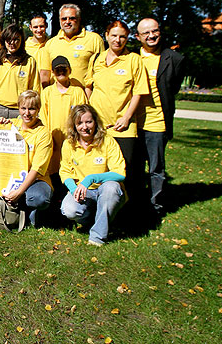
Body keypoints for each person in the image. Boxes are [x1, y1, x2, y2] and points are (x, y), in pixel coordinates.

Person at [85, 20, 148, 194]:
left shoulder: (134, 60)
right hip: (99, 126)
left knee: (123, 172)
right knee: (99, 168)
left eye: (122, 37)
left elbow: (138, 92)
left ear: (127, 39)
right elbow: (88, 85)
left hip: (123, 127)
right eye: (114, 36)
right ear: (106, 36)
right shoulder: (96, 59)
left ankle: (124, 210)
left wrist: (127, 117)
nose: (117, 40)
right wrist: (92, 109)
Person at [0, 90, 54, 228]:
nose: (27, 113)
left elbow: (36, 169)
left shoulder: (43, 134)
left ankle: (25, 210)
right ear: (18, 108)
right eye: (23, 108)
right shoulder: (12, 124)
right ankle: (16, 210)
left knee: (37, 198)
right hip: (8, 178)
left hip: (35, 180)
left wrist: (18, 192)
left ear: (38, 110)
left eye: (31, 109)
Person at [136, 17, 185, 215]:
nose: (151, 36)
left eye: (154, 31)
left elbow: (171, 89)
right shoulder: (132, 57)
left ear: (160, 32)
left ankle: (155, 206)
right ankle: (136, 201)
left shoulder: (173, 58)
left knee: (156, 168)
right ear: (138, 36)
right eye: (146, 33)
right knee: (135, 167)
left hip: (157, 122)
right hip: (133, 122)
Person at [60, 104, 126, 246]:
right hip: (84, 192)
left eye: (88, 122)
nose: (85, 127)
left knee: (111, 188)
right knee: (69, 210)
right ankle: (97, 221)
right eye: (80, 123)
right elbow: (64, 171)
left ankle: (97, 237)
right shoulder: (69, 144)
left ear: (95, 122)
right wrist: (74, 190)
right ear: (74, 125)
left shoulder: (108, 141)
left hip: (105, 190)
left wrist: (91, 179)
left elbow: (120, 173)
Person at [0, 24, 40, 130]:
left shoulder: (30, 62)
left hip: (20, 112)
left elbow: (35, 90)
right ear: (4, 40)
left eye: (16, 39)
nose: (12, 43)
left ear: (21, 41)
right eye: (9, 40)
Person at [39, 56, 87, 176]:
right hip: (53, 140)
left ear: (69, 70)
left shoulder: (78, 92)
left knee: (72, 169)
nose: (61, 72)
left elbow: (83, 116)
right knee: (53, 171)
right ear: (53, 72)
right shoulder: (47, 93)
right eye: (57, 69)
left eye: (64, 69)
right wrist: (48, 138)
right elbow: (43, 117)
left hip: (72, 139)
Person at [40, 4, 104, 85]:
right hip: (57, 96)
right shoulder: (50, 43)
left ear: (79, 19)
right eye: (64, 19)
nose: (67, 22)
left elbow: (102, 71)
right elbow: (45, 74)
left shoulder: (94, 40)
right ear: (59, 20)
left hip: (85, 95)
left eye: (72, 18)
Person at [26, 14, 50, 86]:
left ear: (46, 26)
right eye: (35, 27)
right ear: (30, 27)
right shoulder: (24, 47)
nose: (39, 30)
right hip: (30, 90)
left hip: (49, 90)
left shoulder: (52, 45)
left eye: (41, 26)